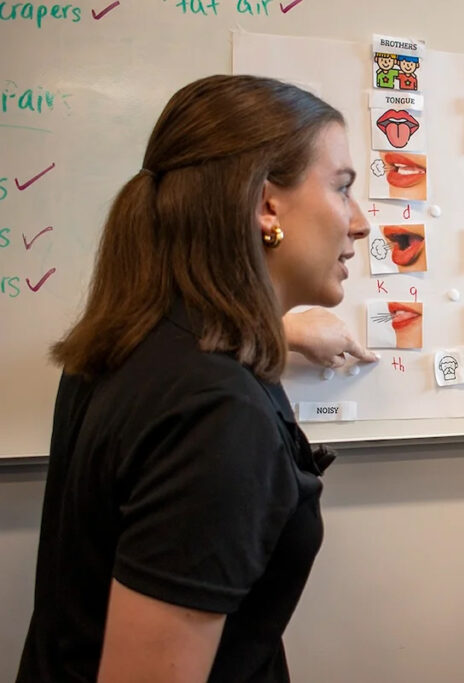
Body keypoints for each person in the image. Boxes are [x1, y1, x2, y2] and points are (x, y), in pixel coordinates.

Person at [17, 74, 371, 682]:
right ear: (267, 205)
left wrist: (276, 337)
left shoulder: (130, 342)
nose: (360, 223)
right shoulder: (215, 412)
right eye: (341, 189)